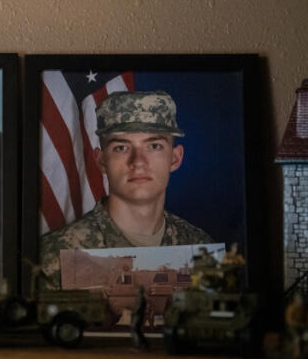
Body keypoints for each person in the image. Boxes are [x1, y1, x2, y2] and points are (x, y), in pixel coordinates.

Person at [39, 91, 213, 281]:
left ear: (175, 158)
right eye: (121, 148)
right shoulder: (55, 257)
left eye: (154, 146)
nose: (138, 162)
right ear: (102, 161)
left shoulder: (199, 248)